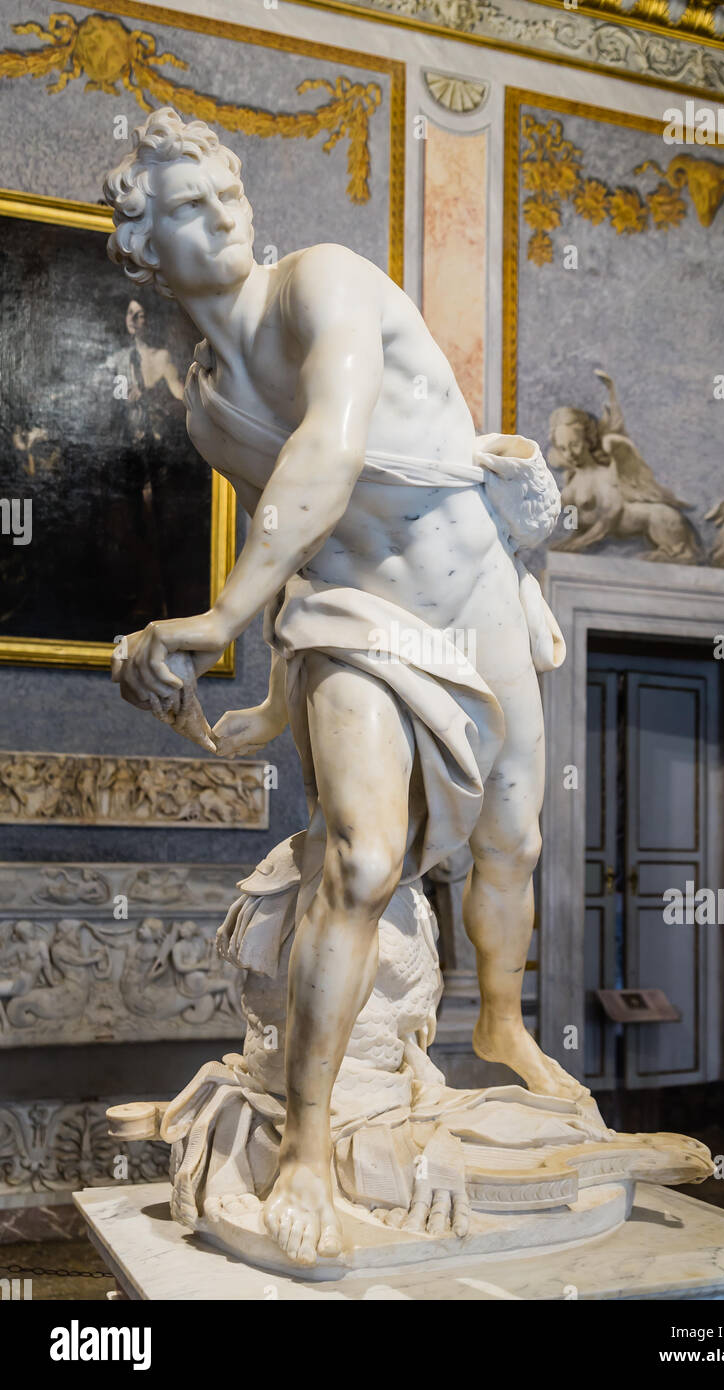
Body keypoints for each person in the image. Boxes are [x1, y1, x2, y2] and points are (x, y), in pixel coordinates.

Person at [104, 107, 574, 1266]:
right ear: (145, 248)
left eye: (228, 197)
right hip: (355, 616)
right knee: (360, 858)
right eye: (188, 211)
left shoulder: (325, 284)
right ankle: (308, 1143)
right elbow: (304, 535)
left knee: (510, 841)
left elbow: (331, 450)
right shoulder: (209, 401)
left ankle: (503, 1025)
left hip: (470, 597)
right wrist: (269, 677)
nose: (224, 220)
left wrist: (213, 618)